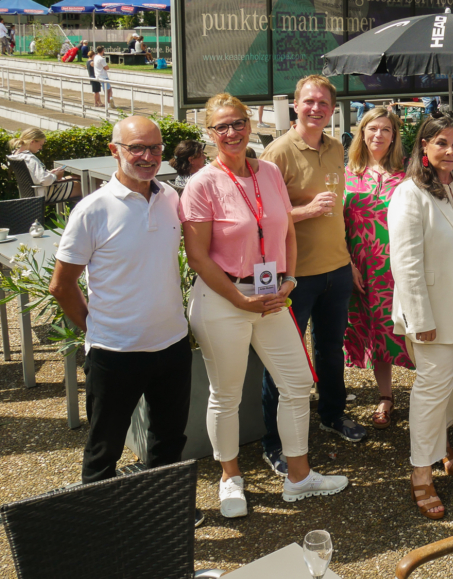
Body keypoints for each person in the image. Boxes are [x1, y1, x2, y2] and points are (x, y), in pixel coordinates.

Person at [180, 93, 348, 517]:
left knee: (296, 383)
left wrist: (289, 278)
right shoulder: (203, 183)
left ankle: (299, 476)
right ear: (210, 133)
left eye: (238, 123)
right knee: (227, 394)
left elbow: (286, 228)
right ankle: (230, 478)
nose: (232, 132)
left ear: (249, 123)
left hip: (272, 295)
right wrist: (239, 298)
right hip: (224, 298)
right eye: (222, 126)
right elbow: (197, 256)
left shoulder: (268, 172)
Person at [48, 117, 192, 493]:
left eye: (155, 148)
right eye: (136, 148)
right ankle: (102, 516)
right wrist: (97, 328)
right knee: (104, 448)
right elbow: (61, 285)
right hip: (115, 353)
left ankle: (165, 508)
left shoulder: (170, 197)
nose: (147, 156)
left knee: (169, 441)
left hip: (173, 346)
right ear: (115, 151)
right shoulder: (92, 210)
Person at [257, 75, 364, 478]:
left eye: (323, 103)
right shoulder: (278, 152)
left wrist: (348, 259)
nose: (316, 108)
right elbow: (262, 216)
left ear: (332, 109)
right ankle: (273, 442)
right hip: (294, 276)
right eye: (309, 101)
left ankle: (331, 415)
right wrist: (304, 211)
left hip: (335, 268)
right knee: (282, 362)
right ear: (296, 105)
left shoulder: (336, 147)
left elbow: (338, 213)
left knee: (331, 350)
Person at [388, 116, 453, 519]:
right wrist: (419, 318)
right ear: (424, 146)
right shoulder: (409, 193)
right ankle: (420, 471)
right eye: (441, 143)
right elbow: (406, 263)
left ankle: (442, 443)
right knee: (432, 390)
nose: (450, 151)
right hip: (433, 311)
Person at [343, 106, 411, 430]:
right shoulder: (347, 174)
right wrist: (347, 264)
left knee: (412, 330)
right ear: (362, 133)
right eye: (372, 128)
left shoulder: (408, 173)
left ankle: (434, 396)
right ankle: (386, 396)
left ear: (394, 135)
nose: (378, 135)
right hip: (362, 270)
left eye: (386, 129)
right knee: (376, 333)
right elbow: (336, 225)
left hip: (400, 267)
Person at [6, 128, 79, 202]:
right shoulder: (29, 158)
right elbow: (44, 180)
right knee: (82, 184)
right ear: (32, 141)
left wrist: (50, 173)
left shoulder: (16, 155)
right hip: (46, 192)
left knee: (75, 178)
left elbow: (35, 176)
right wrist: (56, 176)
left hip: (35, 192)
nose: (41, 148)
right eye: (40, 145)